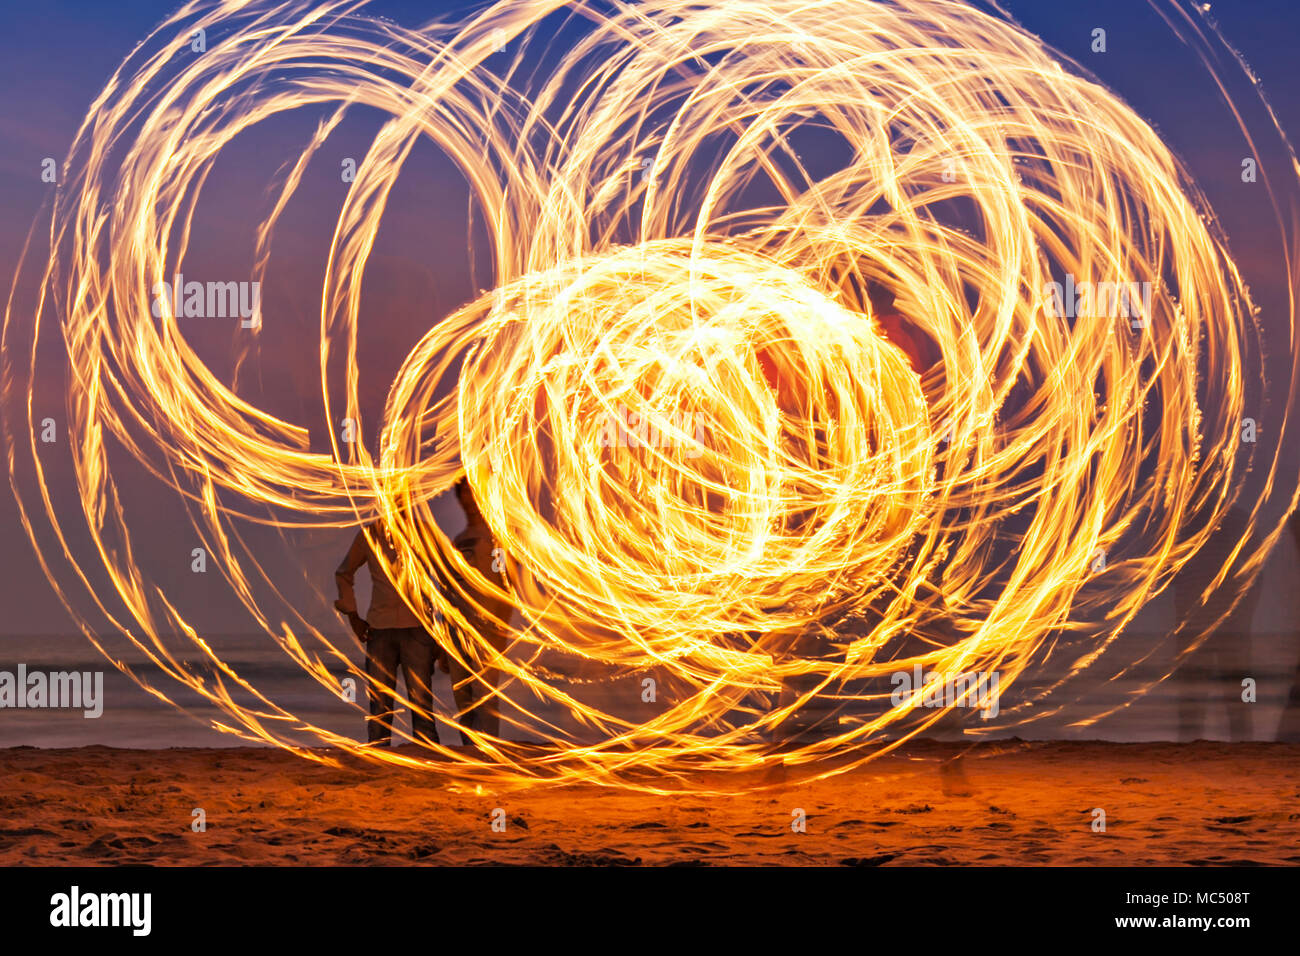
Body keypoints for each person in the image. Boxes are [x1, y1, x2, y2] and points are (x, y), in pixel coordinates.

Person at [335, 518, 441, 747]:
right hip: (381, 629)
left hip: (416, 626)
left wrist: (438, 629)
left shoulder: (422, 532)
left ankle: (429, 761)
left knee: (421, 704)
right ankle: (380, 758)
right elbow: (344, 573)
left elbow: (443, 577)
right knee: (380, 706)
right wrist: (353, 616)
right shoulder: (370, 534)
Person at [442, 477, 513, 742]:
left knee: (485, 699)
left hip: (486, 633)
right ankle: (472, 755)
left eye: (473, 494)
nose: (469, 501)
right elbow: (448, 592)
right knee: (464, 702)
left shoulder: (497, 540)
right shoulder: (458, 541)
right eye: (464, 495)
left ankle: (488, 755)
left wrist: (500, 629)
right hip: (457, 632)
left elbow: (507, 588)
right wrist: (444, 639)